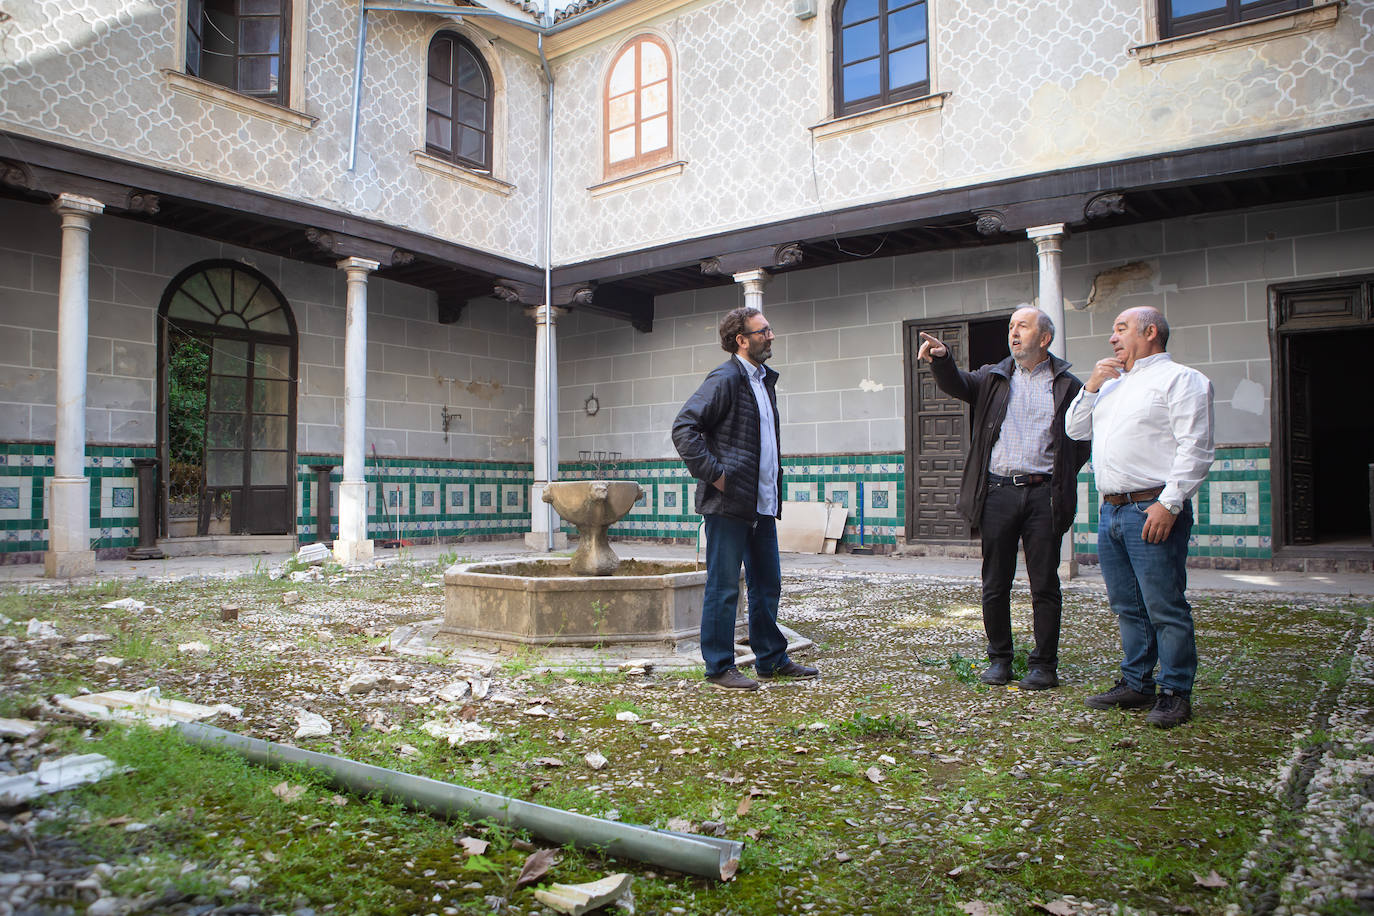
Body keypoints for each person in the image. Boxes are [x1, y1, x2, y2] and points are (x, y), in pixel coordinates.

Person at [918, 306, 1091, 691]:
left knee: (1044, 583)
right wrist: (943, 359)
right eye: (1011, 327)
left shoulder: (1067, 386)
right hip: (998, 490)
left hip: (1043, 494)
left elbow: (1080, 444)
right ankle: (1000, 660)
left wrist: (1058, 479)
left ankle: (1044, 665)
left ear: (1044, 338)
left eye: (1023, 327)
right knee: (995, 581)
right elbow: (957, 385)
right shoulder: (993, 377)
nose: (1013, 333)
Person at [1065, 306, 1214, 729]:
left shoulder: (1182, 380)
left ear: (1150, 332)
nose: (1112, 338)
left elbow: (1196, 446)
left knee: (1164, 605)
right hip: (1111, 510)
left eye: (1120, 329)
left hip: (1151, 507)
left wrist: (1170, 503)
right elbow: (1075, 430)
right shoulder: (1111, 385)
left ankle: (1174, 692)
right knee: (1127, 605)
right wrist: (1092, 386)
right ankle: (1136, 682)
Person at [671, 307, 817, 690]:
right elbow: (685, 427)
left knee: (767, 583)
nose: (771, 336)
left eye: (769, 329)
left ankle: (770, 659)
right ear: (742, 339)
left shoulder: (763, 380)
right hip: (729, 504)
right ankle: (719, 666)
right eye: (763, 331)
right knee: (724, 586)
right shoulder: (726, 377)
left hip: (762, 502)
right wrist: (716, 475)